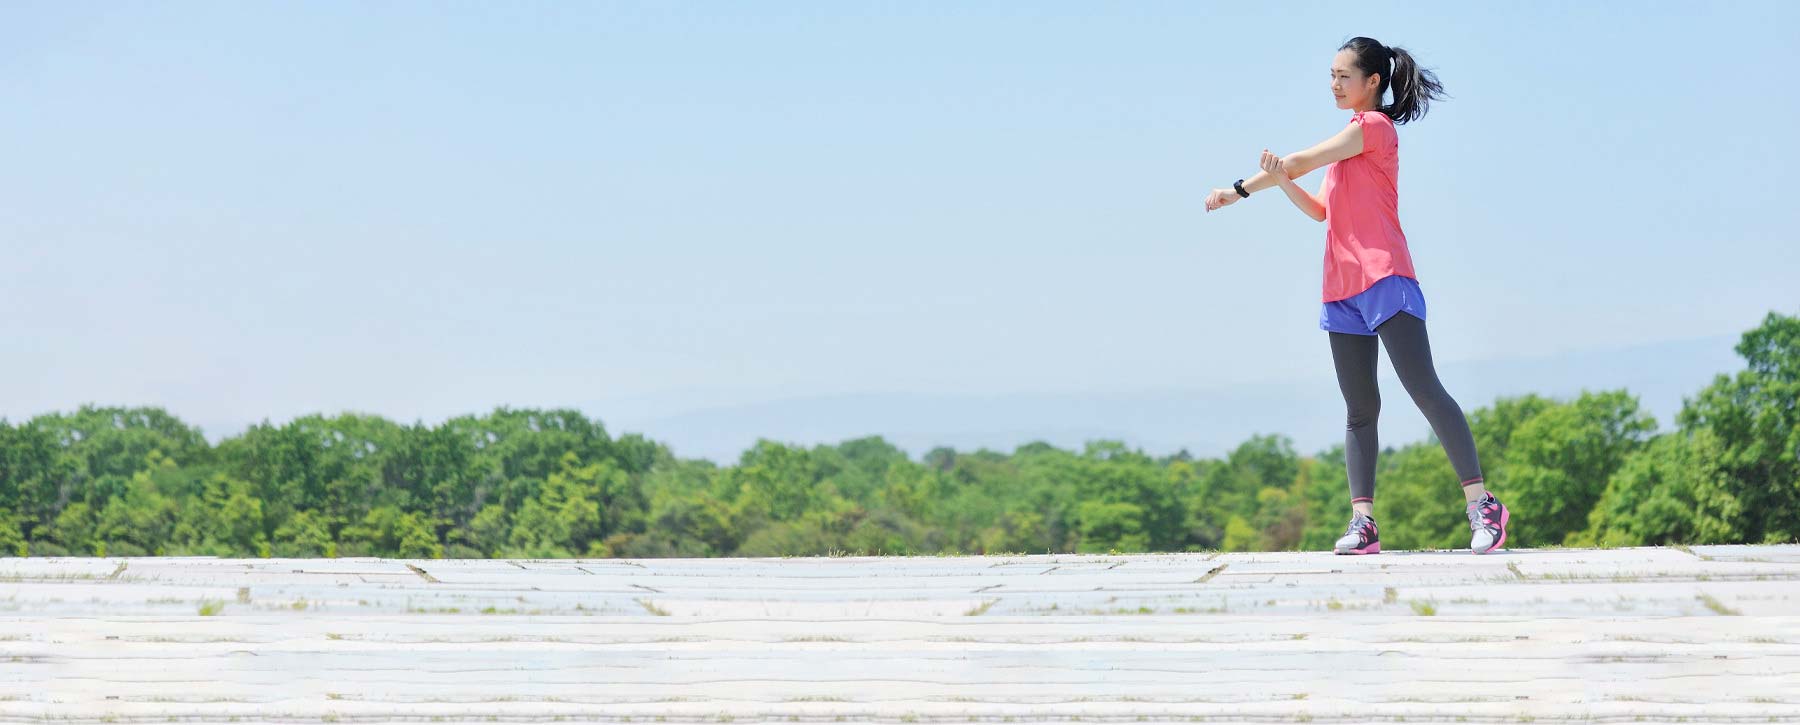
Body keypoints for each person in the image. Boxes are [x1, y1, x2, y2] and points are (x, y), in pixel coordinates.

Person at [1202, 36, 1509, 555]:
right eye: (1331, 75)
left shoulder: (1373, 128)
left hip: (1386, 277)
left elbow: (1299, 160)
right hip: (1341, 287)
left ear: (1373, 82)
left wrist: (1240, 189)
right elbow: (1321, 209)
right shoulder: (1350, 141)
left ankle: (1483, 505)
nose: (1334, 84)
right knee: (1360, 408)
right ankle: (1362, 522)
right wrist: (1279, 181)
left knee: (1424, 388)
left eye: (1344, 76)